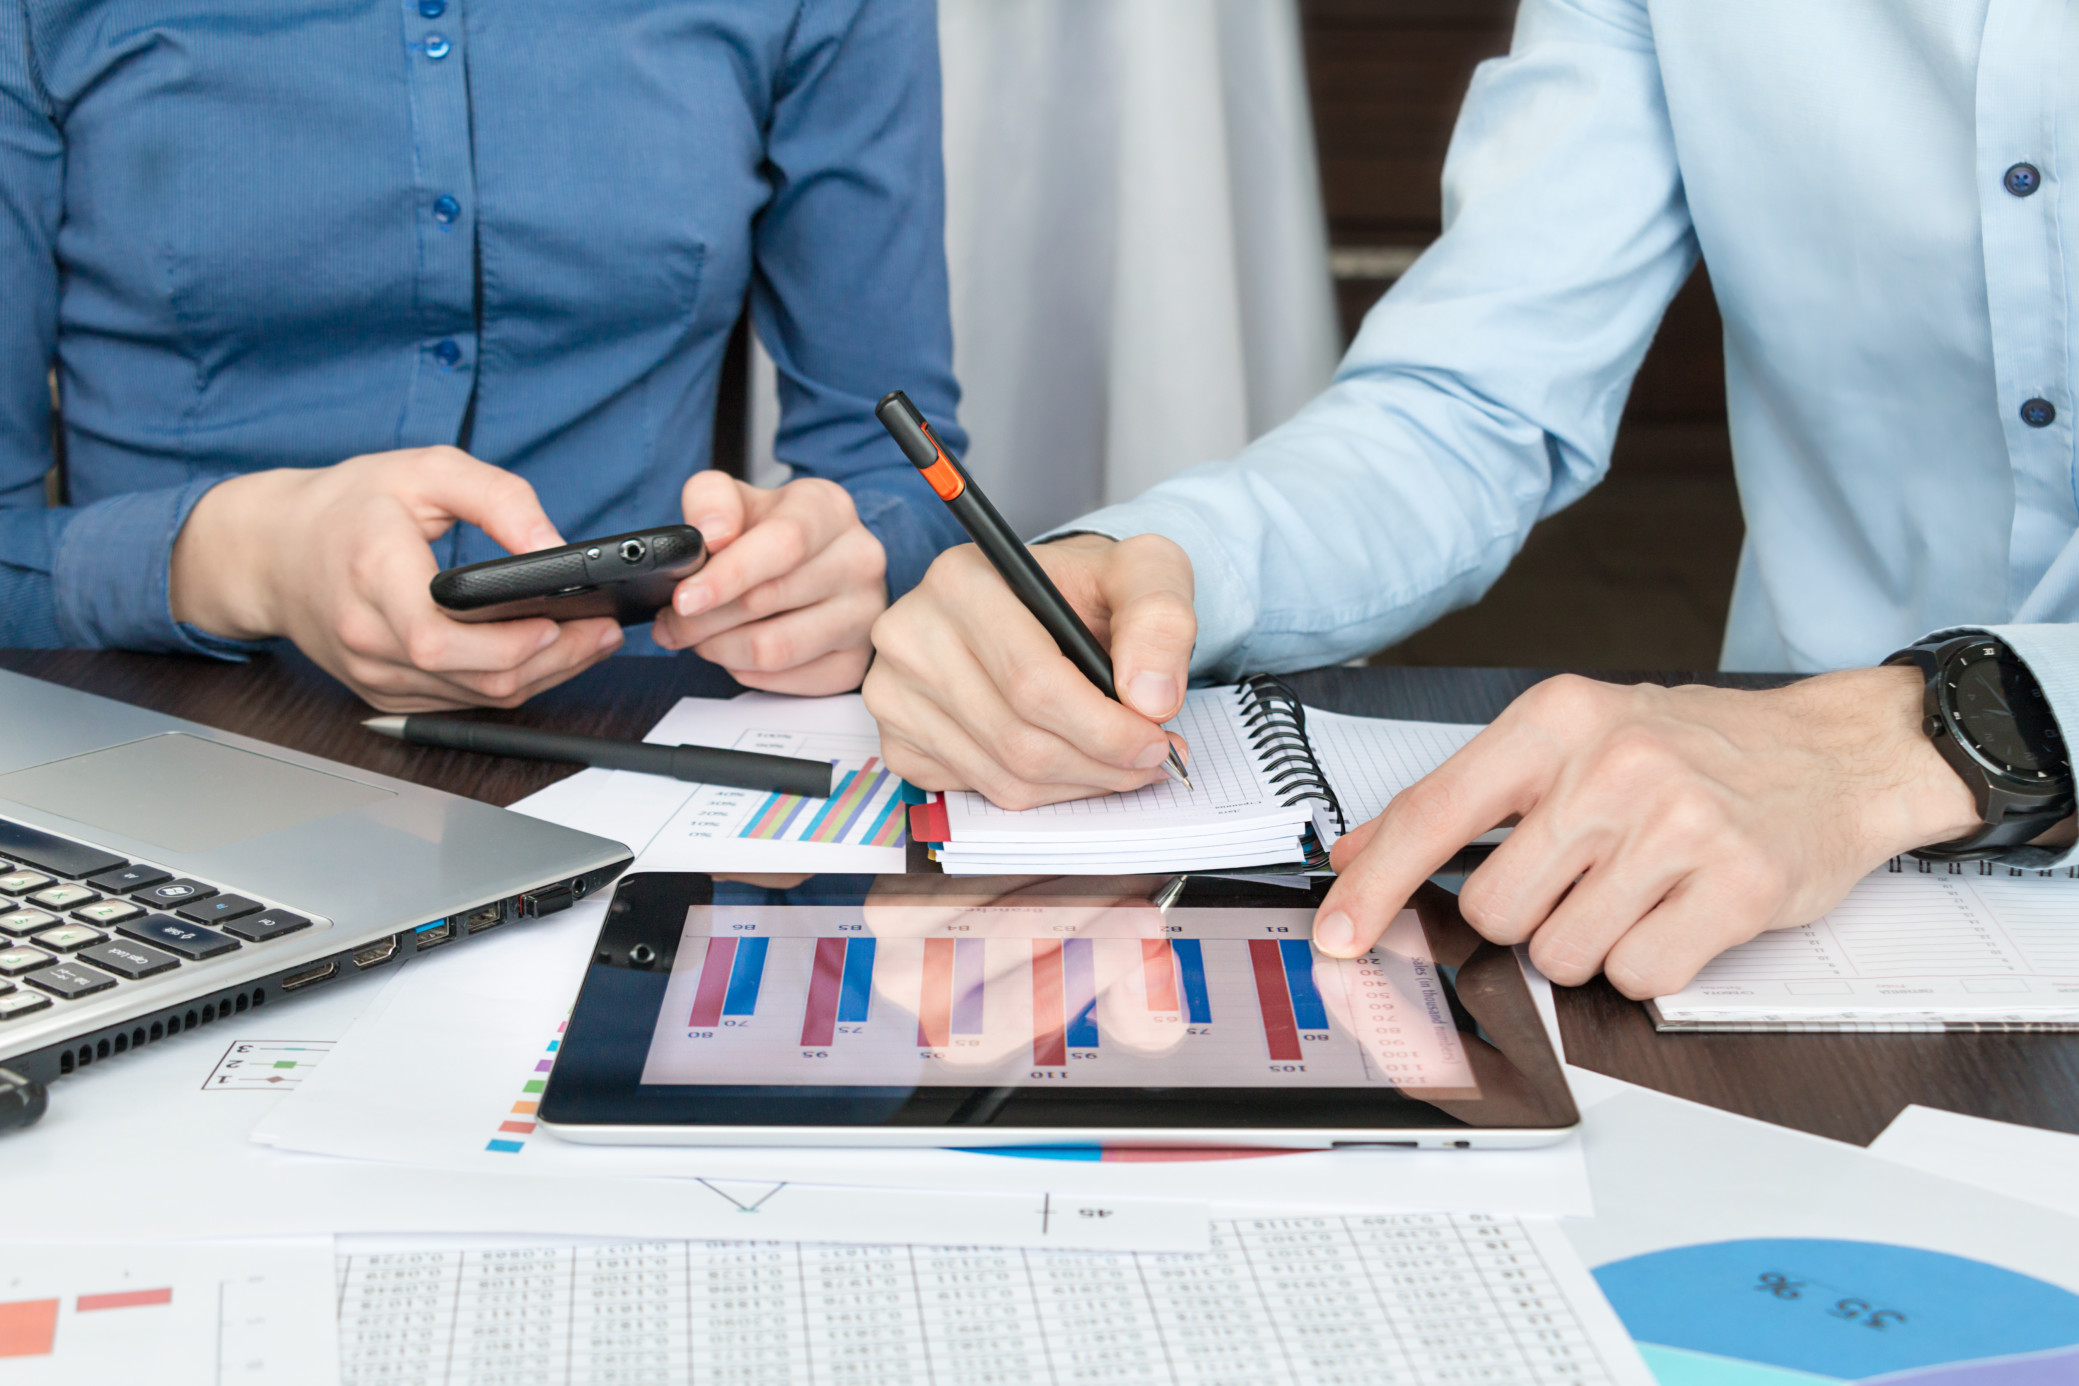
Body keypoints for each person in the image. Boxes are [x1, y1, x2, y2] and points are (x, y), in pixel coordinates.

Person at [864, 0, 2079, 999]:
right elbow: (1475, 397)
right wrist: (1158, 560)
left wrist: (1915, 735)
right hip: (1749, 892)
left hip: (1787, 793)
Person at [0, 1, 966, 710]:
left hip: (647, 759)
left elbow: (907, 469)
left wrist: (849, 565)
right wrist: (248, 559)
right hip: (169, 744)